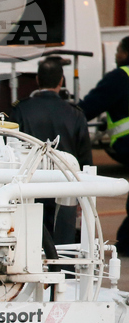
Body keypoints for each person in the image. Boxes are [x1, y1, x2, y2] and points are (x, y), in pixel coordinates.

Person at [11, 56, 92, 246]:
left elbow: (11, 149)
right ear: (61, 81)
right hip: (65, 188)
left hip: (30, 189)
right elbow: (85, 158)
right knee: (63, 245)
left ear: (38, 80)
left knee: (29, 244)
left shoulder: (21, 110)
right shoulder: (75, 113)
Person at [80, 36, 129, 252]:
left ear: (126, 54)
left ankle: (128, 243)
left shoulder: (120, 77)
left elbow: (89, 107)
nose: (116, 55)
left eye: (118, 51)